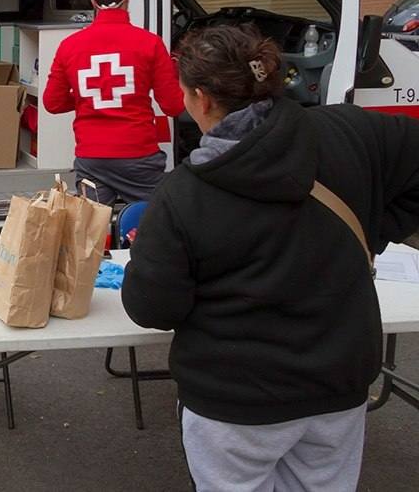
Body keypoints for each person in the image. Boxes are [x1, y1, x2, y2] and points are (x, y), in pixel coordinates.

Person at [122, 25, 419, 491]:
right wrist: (375, 230)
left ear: (201, 99)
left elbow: (152, 308)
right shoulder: (349, 130)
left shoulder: (183, 196)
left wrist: (374, 231)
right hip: (337, 384)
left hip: (234, 400)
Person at [42, 0, 184, 204]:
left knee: (90, 234)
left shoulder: (70, 46)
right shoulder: (150, 44)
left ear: (94, 2)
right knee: (152, 227)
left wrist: (86, 98)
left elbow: (52, 103)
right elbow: (173, 106)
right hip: (139, 156)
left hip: (92, 158)